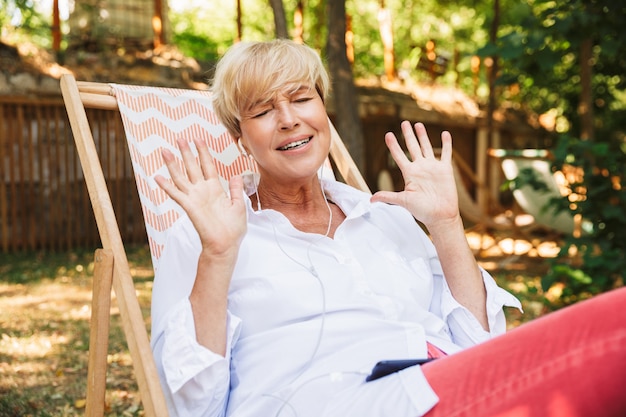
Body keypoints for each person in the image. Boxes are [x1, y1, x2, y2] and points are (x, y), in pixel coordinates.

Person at [150, 39, 626, 417]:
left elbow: (481, 344)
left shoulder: (381, 216)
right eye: (262, 110)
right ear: (239, 136)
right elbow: (195, 407)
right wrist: (216, 254)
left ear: (324, 111)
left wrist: (446, 224)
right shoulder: (210, 233)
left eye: (301, 98)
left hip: (442, 386)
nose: (289, 118)